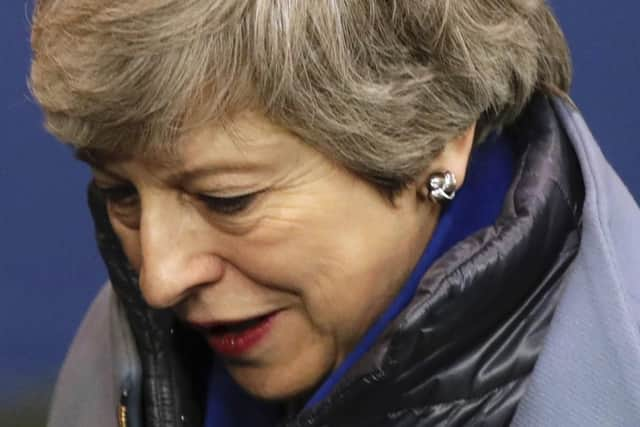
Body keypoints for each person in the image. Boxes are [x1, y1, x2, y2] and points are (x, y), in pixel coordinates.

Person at [29, 1, 640, 426]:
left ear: (436, 140)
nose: (159, 280)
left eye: (228, 200)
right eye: (121, 194)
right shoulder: (116, 349)